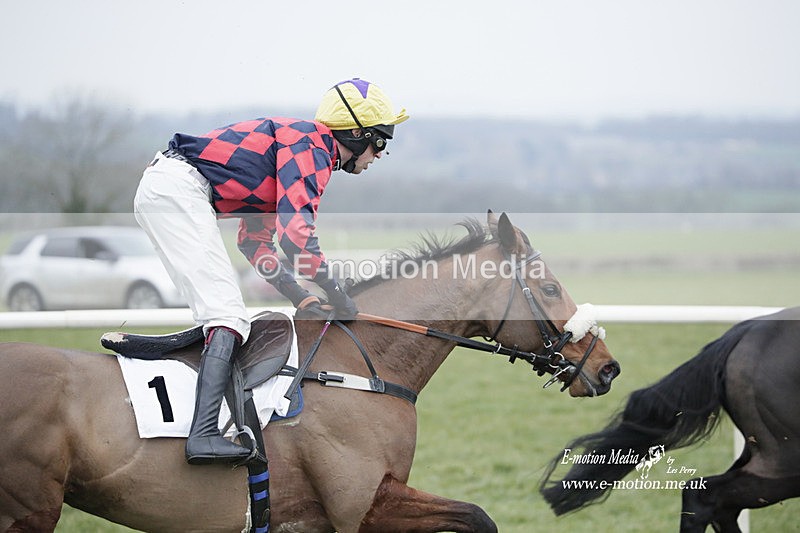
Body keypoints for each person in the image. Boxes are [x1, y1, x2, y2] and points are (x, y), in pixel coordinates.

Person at [133, 78, 408, 465]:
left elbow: (255, 242)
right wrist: (337, 293)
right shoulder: (312, 146)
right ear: (357, 133)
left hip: (169, 190)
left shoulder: (304, 150)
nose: (379, 154)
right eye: (380, 142)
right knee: (228, 315)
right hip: (176, 191)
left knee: (224, 313)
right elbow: (296, 237)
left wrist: (303, 296)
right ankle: (204, 435)